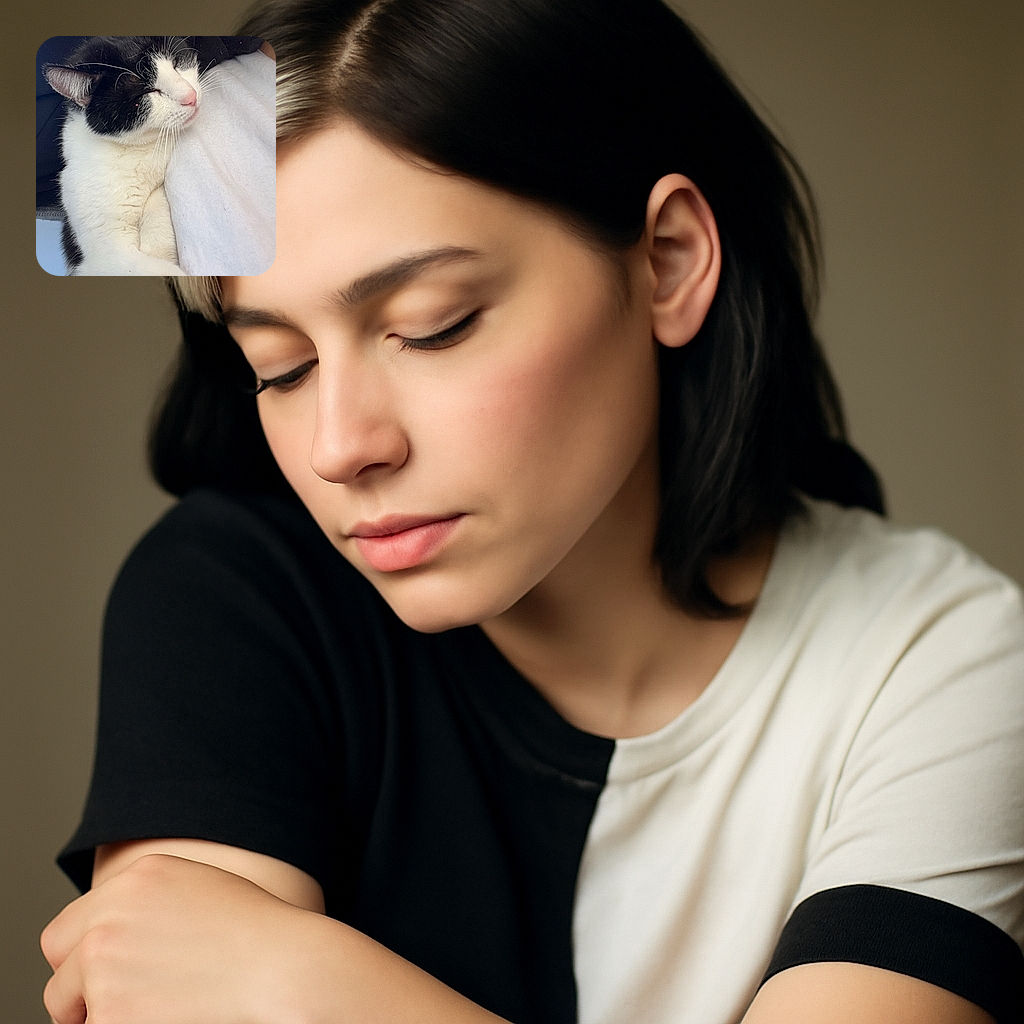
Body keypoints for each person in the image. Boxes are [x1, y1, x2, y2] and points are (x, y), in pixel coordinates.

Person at [40, 1, 1024, 1022]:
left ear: (669, 261)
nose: (341, 446)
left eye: (435, 325)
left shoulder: (934, 654)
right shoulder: (233, 598)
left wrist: (305, 980)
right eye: (279, 366)